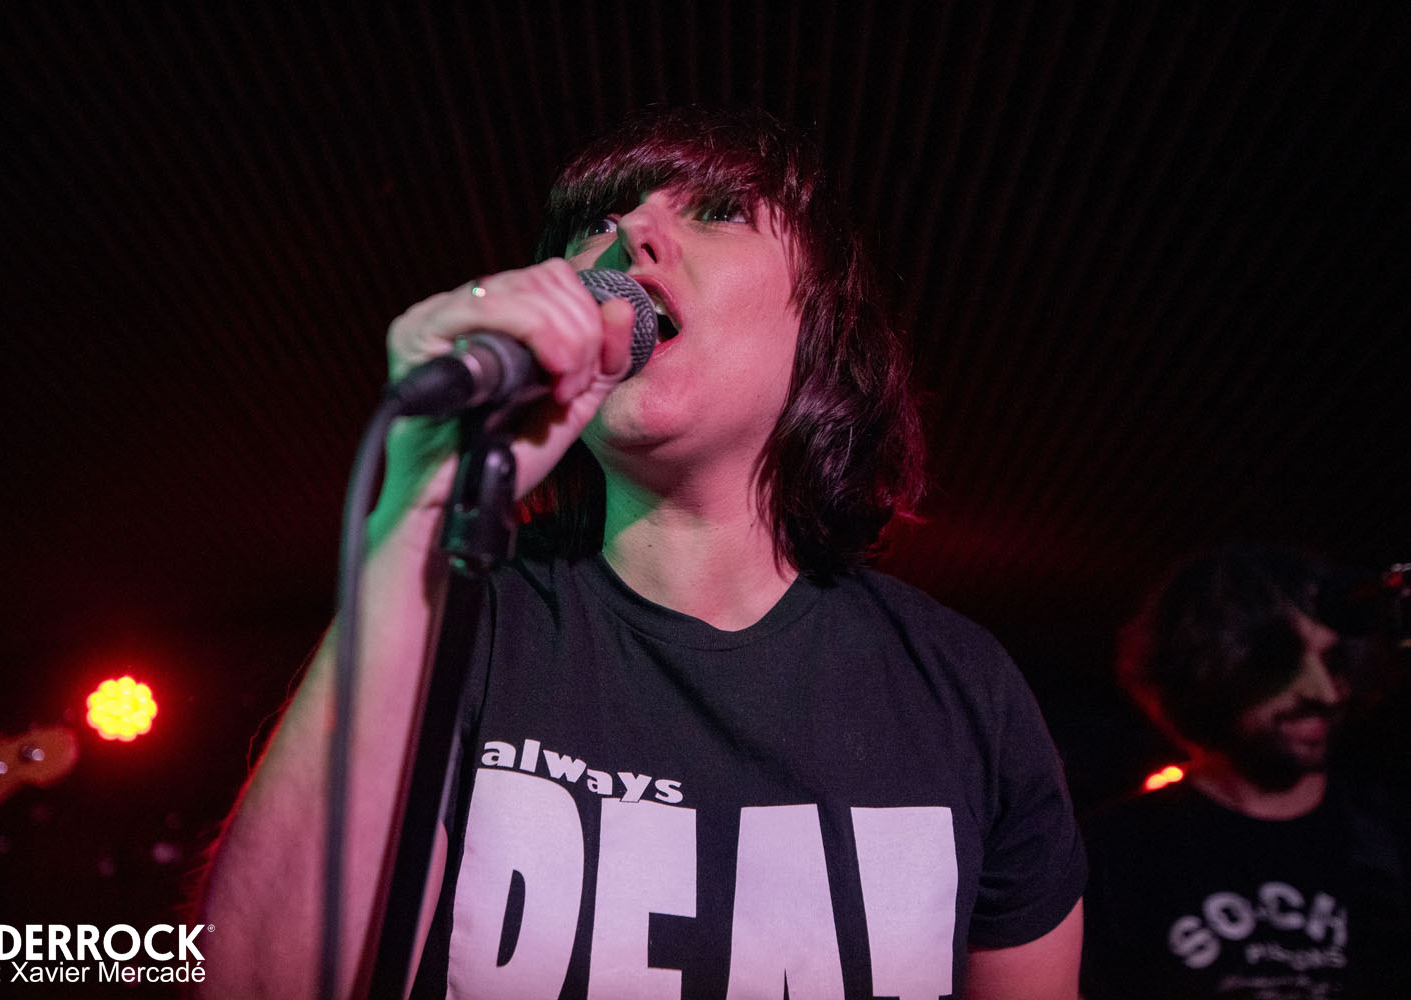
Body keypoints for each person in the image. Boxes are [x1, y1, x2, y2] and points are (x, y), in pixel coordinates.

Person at [195, 105, 1086, 999]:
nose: (632, 237)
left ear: (819, 324)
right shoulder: (464, 622)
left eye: (719, 211)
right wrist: (419, 514)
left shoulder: (960, 690)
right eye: (597, 223)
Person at [1081, 544, 1411, 998]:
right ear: (1207, 667)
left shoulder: (1392, 832)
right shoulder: (1114, 851)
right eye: (1281, 664)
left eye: (1333, 661)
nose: (1324, 692)